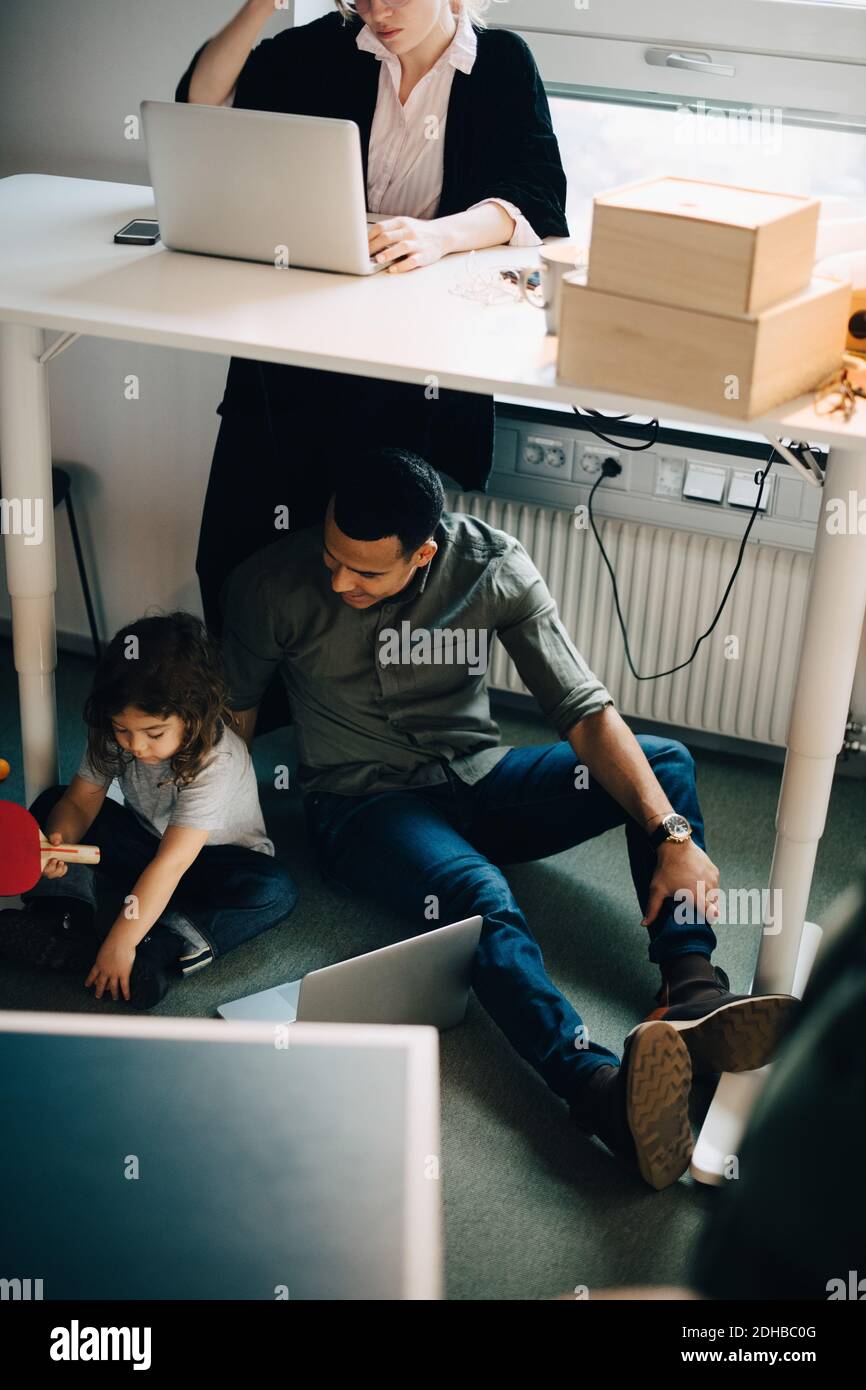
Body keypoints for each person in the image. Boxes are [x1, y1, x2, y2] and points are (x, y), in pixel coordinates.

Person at [217, 446, 799, 1190]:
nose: (339, 580)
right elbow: (231, 724)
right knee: (481, 895)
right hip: (364, 805)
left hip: (480, 778)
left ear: (423, 553)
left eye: (364, 572)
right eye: (332, 557)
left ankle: (691, 987)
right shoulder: (269, 585)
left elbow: (585, 713)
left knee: (669, 768)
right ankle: (594, 1089)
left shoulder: (493, 567)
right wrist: (219, 845)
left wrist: (671, 835)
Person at [173, 0, 569, 656]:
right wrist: (262, 5)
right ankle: (250, 725)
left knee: (372, 562)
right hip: (305, 334)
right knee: (239, 552)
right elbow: (201, 100)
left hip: (418, 354)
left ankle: (352, 736)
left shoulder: (499, 63)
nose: (378, 10)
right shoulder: (326, 48)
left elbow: (537, 204)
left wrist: (439, 235)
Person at [0, 613, 298, 1008]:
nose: (136, 746)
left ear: (194, 717)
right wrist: (60, 845)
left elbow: (172, 864)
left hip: (211, 866)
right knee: (55, 802)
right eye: (124, 730)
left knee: (274, 891)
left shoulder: (218, 760)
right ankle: (62, 921)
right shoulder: (114, 738)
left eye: (154, 734)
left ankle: (156, 948)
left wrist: (121, 941)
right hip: (147, 849)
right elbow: (79, 802)